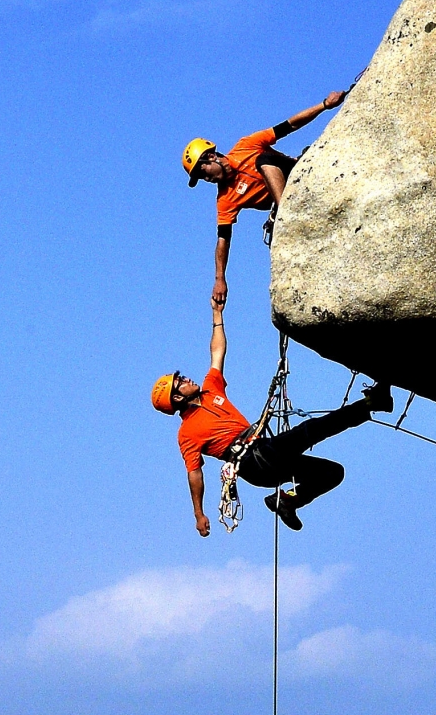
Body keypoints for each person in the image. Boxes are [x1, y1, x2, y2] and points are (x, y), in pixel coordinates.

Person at [151, 302, 393, 536]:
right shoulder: (187, 434)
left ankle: (287, 501)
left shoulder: (211, 389)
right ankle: (373, 403)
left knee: (332, 473)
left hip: (265, 453)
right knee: (312, 430)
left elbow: (217, 351)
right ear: (177, 398)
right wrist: (199, 514)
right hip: (253, 462)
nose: (186, 380)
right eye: (180, 383)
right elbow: (194, 474)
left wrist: (217, 316)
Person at [182, 91, 346, 307]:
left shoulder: (245, 146)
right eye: (200, 178)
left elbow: (289, 126)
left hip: (296, 174)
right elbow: (223, 239)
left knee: (264, 159)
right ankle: (284, 213)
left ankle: (285, 214)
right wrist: (220, 279)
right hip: (287, 200)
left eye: (203, 172)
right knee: (263, 163)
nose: (206, 178)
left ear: (211, 156)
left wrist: (324, 105)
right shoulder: (225, 199)